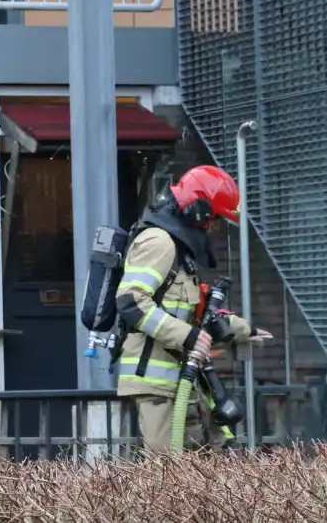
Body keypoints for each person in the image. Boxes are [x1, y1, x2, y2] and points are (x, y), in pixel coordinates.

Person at [114, 165, 271, 452]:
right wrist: (187, 336)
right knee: (168, 477)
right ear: (198, 211)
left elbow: (194, 312)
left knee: (204, 461)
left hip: (181, 379)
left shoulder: (178, 248)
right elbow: (131, 301)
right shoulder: (158, 242)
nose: (215, 228)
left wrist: (241, 328)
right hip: (156, 383)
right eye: (215, 219)